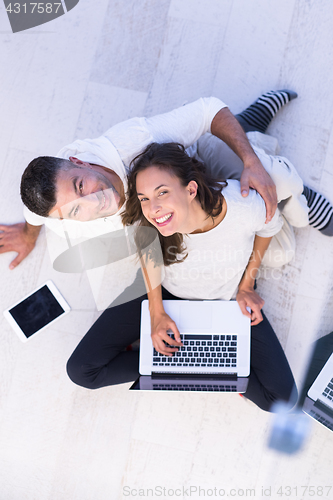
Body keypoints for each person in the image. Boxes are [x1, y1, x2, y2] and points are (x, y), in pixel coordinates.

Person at [66, 141, 299, 412]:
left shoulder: (244, 207)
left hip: (227, 298)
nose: (153, 209)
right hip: (166, 291)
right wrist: (156, 311)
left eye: (162, 192)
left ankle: (205, 367)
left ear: (190, 189)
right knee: (82, 371)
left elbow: (269, 226)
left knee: (284, 401)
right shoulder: (154, 220)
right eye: (144, 198)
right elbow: (148, 248)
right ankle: (194, 365)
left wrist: (247, 284)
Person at [1, 91, 331, 270]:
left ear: (77, 161)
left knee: (270, 177)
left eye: (80, 186)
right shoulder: (57, 214)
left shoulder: (134, 139)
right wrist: (29, 235)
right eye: (75, 209)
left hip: (193, 166)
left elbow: (208, 110)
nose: (93, 200)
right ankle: (249, 130)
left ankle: (288, 188)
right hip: (184, 210)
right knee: (277, 255)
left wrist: (250, 161)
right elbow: (35, 214)